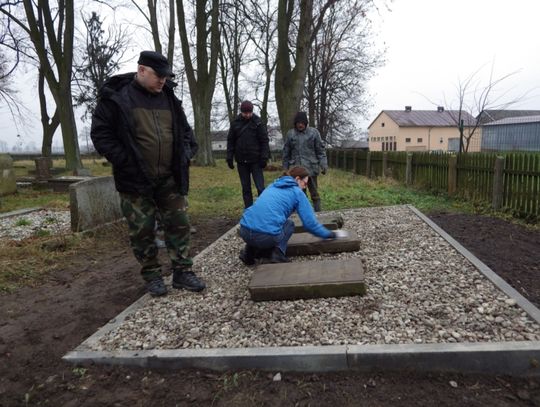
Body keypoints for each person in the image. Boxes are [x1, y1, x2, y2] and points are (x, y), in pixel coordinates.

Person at [90, 50, 205, 297]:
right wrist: (125, 161)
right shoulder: (117, 98)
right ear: (142, 70)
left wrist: (184, 155)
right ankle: (152, 275)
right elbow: (101, 135)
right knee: (142, 230)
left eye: (165, 76)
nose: (163, 81)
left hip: (169, 178)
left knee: (179, 224)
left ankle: (182, 271)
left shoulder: (170, 99)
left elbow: (186, 133)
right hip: (135, 180)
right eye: (158, 75)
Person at [238, 166, 345, 265]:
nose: (305, 187)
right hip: (265, 237)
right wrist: (330, 234)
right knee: (288, 224)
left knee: (261, 221)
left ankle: (248, 254)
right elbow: (310, 224)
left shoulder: (273, 185)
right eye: (305, 183)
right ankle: (277, 254)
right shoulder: (297, 192)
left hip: (244, 231)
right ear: (298, 179)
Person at [226, 100, 270, 208]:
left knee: (260, 187)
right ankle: (249, 210)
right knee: (246, 188)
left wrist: (264, 157)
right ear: (241, 112)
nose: (248, 115)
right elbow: (231, 141)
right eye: (245, 113)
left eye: (249, 113)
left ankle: (262, 209)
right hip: (241, 161)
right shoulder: (235, 123)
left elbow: (264, 140)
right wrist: (229, 157)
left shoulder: (258, 122)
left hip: (256, 160)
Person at [282, 111, 328, 212]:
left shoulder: (314, 133)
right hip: (297, 170)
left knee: (314, 193)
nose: (300, 124)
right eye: (298, 122)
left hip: (311, 169)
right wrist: (285, 169)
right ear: (295, 123)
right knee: (300, 195)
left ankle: (318, 213)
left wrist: (323, 164)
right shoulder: (291, 134)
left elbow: (320, 151)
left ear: (306, 123)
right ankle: (303, 215)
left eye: (302, 122)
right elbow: (286, 153)